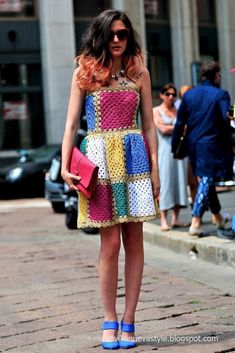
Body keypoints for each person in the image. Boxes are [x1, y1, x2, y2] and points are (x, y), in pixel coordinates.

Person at [61, 9, 160, 350]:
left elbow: (149, 126)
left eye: (124, 34)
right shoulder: (85, 74)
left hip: (134, 163)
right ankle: (109, 319)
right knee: (110, 243)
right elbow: (72, 125)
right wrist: (64, 165)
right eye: (112, 34)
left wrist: (155, 170)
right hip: (99, 162)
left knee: (135, 242)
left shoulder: (140, 74)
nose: (118, 40)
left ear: (130, 37)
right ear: (102, 37)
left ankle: (130, 320)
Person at [172, 61, 234, 236]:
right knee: (206, 179)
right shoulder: (221, 94)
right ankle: (196, 221)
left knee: (206, 180)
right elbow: (225, 118)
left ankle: (218, 217)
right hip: (212, 144)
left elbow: (179, 123)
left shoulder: (189, 95)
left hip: (193, 144)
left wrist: (176, 146)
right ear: (216, 75)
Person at [153, 83, 188, 231]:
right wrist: (178, 128)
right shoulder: (156, 110)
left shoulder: (178, 111)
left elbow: (186, 127)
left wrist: (176, 128)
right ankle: (163, 220)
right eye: (167, 94)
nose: (171, 97)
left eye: (173, 94)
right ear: (162, 95)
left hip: (178, 150)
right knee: (165, 184)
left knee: (179, 182)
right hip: (164, 151)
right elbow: (162, 128)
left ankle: (176, 218)